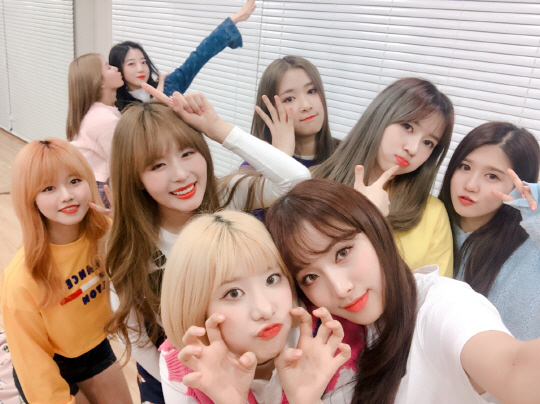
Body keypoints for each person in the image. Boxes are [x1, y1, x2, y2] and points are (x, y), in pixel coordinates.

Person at [105, 85, 311, 403]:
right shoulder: (133, 250)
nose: (181, 174)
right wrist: (187, 384)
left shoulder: (229, 197)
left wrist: (216, 127)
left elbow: (297, 181)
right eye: (157, 165)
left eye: (187, 153)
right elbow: (138, 339)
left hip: (263, 369)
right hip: (192, 379)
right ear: (135, 178)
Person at [266, 178, 540, 404]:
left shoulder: (443, 306)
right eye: (311, 277)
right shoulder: (331, 339)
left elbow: (514, 370)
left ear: (376, 230)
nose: (340, 289)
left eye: (343, 252)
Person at [159, 210, 351, 404]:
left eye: (272, 279)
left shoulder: (327, 340)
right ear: (196, 308)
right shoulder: (186, 365)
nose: (265, 310)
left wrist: (306, 400)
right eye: (234, 293)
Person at [2, 138, 132, 404]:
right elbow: (33, 363)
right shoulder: (21, 279)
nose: (66, 195)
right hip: (46, 365)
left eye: (74, 181)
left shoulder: (106, 234)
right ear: (31, 198)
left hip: (93, 347)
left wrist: (129, 225)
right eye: (48, 188)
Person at [312, 77, 455, 276]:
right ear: (380, 116)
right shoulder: (312, 183)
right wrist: (363, 216)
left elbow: (436, 292)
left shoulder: (432, 214)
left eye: (428, 143)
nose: (413, 148)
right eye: (408, 127)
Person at [438, 122, 540, 340]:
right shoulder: (429, 224)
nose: (470, 185)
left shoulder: (531, 251)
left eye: (492, 176)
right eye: (465, 167)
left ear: (519, 187)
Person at [109, 0, 256, 111]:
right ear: (118, 69)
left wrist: (235, 19)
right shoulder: (117, 108)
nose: (141, 69)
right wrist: (157, 100)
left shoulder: (169, 85)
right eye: (131, 64)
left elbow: (198, 57)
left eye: (143, 62)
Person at [249, 56, 339, 167]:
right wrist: (281, 158)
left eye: (311, 91)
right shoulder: (254, 167)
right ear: (270, 111)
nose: (306, 106)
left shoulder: (349, 157)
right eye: (289, 99)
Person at [66, 53, 124, 208]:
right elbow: (122, 163)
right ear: (99, 82)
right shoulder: (104, 119)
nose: (116, 68)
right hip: (100, 187)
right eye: (108, 67)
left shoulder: (100, 112)